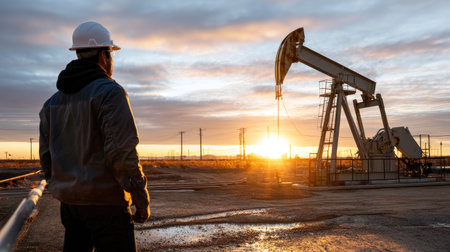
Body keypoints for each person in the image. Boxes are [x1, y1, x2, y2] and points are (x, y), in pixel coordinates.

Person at [39, 21, 150, 252]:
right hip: (106, 204)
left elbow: (47, 157)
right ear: (103, 56)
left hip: (70, 205)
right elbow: (122, 154)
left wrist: (60, 188)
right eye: (111, 54)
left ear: (78, 54)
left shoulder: (52, 103)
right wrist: (140, 200)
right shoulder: (110, 93)